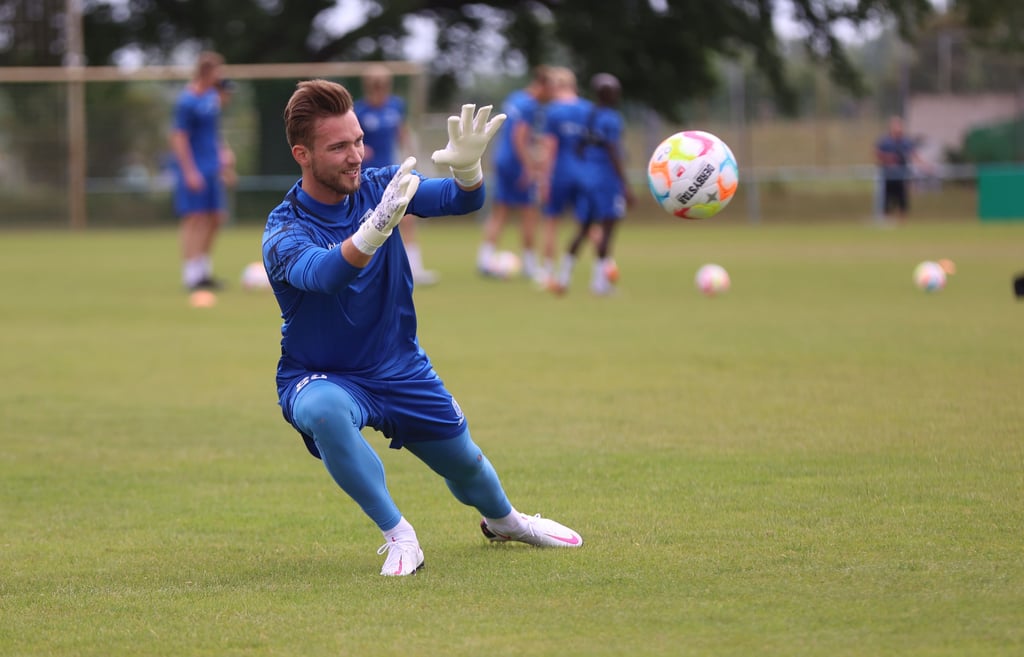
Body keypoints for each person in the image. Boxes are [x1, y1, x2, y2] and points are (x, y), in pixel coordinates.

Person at [262, 80, 583, 577]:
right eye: (339, 146)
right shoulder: (283, 229)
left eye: (359, 140)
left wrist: (469, 169)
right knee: (323, 411)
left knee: (467, 465)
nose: (356, 156)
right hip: (322, 374)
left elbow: (460, 200)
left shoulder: (379, 184)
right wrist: (376, 227)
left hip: (398, 365)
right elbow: (324, 275)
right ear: (302, 153)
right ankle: (399, 534)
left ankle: (507, 522)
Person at [354, 64, 438, 286]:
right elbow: (354, 141)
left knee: (407, 217)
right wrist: (362, 150)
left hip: (391, 174)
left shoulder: (395, 106)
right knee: (368, 221)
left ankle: (414, 267)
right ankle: (364, 270)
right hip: (368, 176)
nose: (380, 88)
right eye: (376, 84)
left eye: (383, 84)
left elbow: (402, 133)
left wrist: (410, 153)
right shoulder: (360, 111)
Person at [550, 73, 633, 296]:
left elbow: (578, 147)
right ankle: (600, 284)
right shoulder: (611, 118)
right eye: (614, 91)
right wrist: (625, 185)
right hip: (607, 180)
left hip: (587, 179)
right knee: (607, 230)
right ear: (607, 94)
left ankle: (563, 278)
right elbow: (613, 152)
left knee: (584, 228)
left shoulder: (586, 114)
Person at [475, 65, 553, 279]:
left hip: (502, 158)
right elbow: (519, 136)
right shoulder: (530, 105)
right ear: (542, 85)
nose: (551, 95)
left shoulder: (515, 98)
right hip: (516, 163)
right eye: (550, 89)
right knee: (529, 211)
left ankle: (484, 259)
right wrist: (529, 166)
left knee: (500, 211)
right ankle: (529, 265)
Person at [170, 50, 234, 291]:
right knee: (194, 218)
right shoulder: (186, 101)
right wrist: (189, 171)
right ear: (207, 72)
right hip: (194, 168)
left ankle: (203, 271)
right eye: (218, 71)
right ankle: (191, 275)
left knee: (216, 217)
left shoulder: (211, 98)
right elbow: (179, 138)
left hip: (212, 167)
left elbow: (213, 133)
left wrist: (224, 157)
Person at [536, 67, 592, 285]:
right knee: (590, 223)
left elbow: (550, 147)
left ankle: (548, 273)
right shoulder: (589, 110)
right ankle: (605, 268)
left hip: (560, 173)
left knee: (551, 222)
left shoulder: (553, 111)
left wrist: (543, 179)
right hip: (586, 173)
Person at [875, 115, 928, 222]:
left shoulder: (906, 141)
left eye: (899, 126)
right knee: (887, 200)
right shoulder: (885, 141)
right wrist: (888, 159)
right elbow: (877, 153)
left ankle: (902, 222)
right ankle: (886, 220)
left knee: (902, 200)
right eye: (896, 126)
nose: (898, 128)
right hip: (888, 176)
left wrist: (924, 165)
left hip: (901, 176)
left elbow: (913, 154)